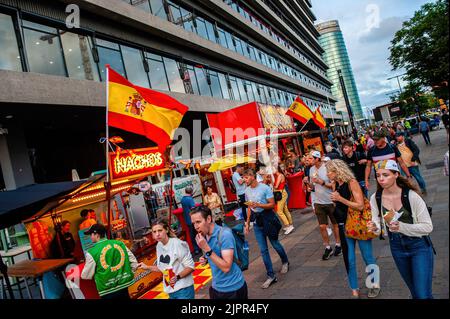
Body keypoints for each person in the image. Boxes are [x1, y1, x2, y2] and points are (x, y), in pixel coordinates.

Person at [367, 160, 434, 299]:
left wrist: (402, 227)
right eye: (378, 175)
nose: (381, 179)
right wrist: (374, 227)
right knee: (416, 293)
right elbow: (376, 223)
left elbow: (428, 227)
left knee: (422, 294)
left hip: (419, 246)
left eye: (385, 175)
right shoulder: (376, 198)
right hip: (397, 247)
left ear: (396, 174)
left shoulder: (411, 196)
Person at [326, 160, 381, 299]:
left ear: (337, 171)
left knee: (367, 256)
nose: (327, 174)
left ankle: (374, 284)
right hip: (344, 226)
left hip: (358, 225)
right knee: (349, 259)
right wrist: (335, 199)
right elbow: (339, 205)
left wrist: (340, 199)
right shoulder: (336, 184)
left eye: (329, 171)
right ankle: (354, 289)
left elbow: (360, 205)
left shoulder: (352, 182)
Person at [243, 168, 289, 289]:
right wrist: (247, 223)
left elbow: (272, 204)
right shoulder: (247, 190)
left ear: (252, 176)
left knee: (275, 243)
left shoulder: (264, 188)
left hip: (268, 217)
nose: (244, 180)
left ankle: (285, 261)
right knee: (263, 250)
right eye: (243, 177)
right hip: (257, 221)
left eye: (246, 177)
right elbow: (248, 207)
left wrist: (258, 205)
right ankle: (271, 275)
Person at [190, 205, 248, 299]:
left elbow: (226, 267)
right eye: (193, 223)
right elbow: (216, 255)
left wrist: (207, 249)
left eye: (198, 222)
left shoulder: (224, 235)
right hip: (216, 287)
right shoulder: (205, 235)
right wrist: (206, 258)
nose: (196, 227)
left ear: (208, 219)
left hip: (232, 288)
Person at [138, 219, 195, 299]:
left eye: (160, 230)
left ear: (167, 230)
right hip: (170, 290)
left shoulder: (177, 244)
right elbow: (163, 268)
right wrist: (147, 267)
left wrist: (177, 277)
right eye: (154, 232)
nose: (157, 234)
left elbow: (191, 267)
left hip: (183, 289)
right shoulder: (159, 245)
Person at [81, 224, 138, 299]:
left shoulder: (92, 252)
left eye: (91, 234)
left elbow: (85, 275)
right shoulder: (119, 243)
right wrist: (128, 274)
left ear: (96, 234)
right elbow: (134, 263)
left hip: (107, 290)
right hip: (123, 285)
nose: (90, 237)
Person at [306, 151, 341, 260]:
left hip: (330, 200)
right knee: (322, 226)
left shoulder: (327, 168)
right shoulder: (311, 169)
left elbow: (334, 185)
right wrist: (309, 185)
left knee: (335, 224)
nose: (308, 161)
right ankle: (327, 247)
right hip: (318, 201)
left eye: (311, 159)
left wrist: (322, 183)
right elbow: (313, 185)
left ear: (317, 159)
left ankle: (338, 244)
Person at [274, 166, 294, 235]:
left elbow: (276, 186)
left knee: (279, 211)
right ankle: (290, 224)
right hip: (282, 193)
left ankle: (288, 226)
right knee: (285, 209)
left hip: (281, 194)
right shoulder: (279, 175)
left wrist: (271, 184)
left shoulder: (279, 175)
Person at [181, 186, 200, 255]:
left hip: (187, 220)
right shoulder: (190, 199)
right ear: (191, 192)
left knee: (192, 235)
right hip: (192, 219)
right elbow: (193, 208)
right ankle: (199, 247)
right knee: (197, 233)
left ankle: (196, 249)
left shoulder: (182, 199)